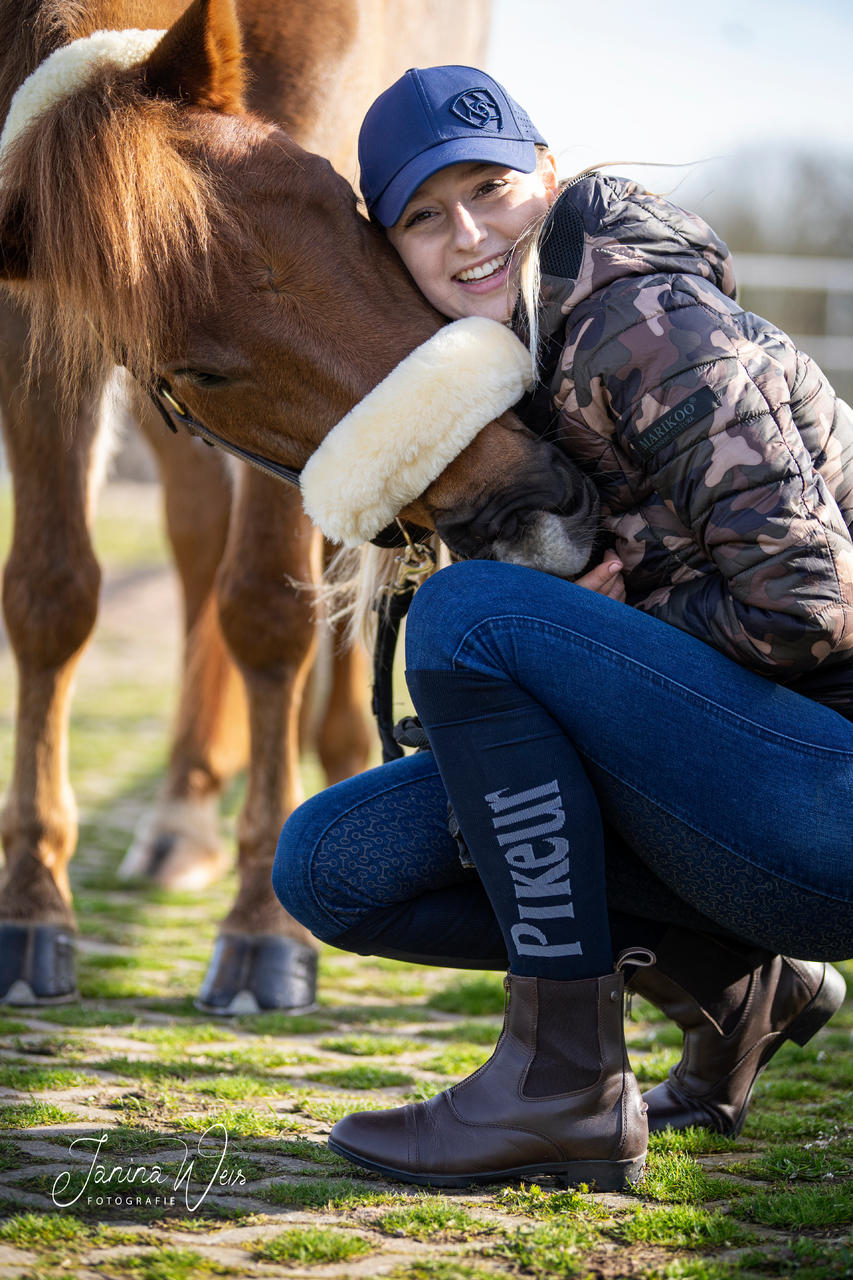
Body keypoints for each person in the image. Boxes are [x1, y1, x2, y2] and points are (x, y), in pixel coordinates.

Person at [273, 65, 853, 1190]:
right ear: (389, 252)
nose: (469, 233)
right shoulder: (510, 368)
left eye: (490, 187)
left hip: (825, 794)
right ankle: (740, 985)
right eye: (424, 218)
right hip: (733, 788)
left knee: (471, 617)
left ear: (545, 173)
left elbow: (815, 605)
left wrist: (618, 617)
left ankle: (563, 1086)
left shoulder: (635, 318)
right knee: (332, 865)